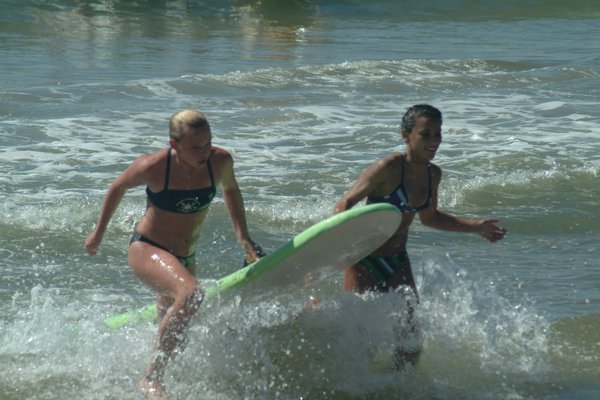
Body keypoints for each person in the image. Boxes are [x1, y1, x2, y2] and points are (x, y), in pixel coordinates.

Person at [85, 109, 263, 399]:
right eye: (195, 147)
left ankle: (167, 378)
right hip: (148, 248)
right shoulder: (153, 167)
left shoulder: (220, 161)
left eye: (208, 143)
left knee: (177, 314)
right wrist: (98, 233)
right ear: (174, 145)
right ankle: (151, 380)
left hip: (186, 255)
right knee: (191, 294)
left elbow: (231, 190)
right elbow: (117, 187)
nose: (204, 152)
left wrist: (243, 236)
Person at [334, 104, 507, 361]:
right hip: (365, 260)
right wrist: (340, 247)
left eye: (438, 134)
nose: (434, 141)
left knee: (410, 343)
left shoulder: (432, 174)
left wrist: (476, 227)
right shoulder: (389, 167)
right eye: (426, 134)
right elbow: (345, 204)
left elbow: (429, 217)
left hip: (398, 261)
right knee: (361, 345)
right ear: (406, 135)